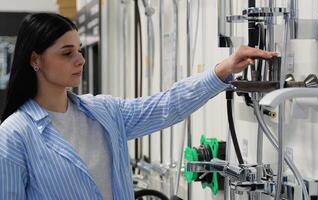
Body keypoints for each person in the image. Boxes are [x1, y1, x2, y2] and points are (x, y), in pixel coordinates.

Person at [0, 13, 276, 200]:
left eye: (80, 50)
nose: (80, 60)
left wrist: (223, 69)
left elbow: (168, 104)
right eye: (67, 53)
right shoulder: (14, 136)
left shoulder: (103, 113)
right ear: (36, 60)